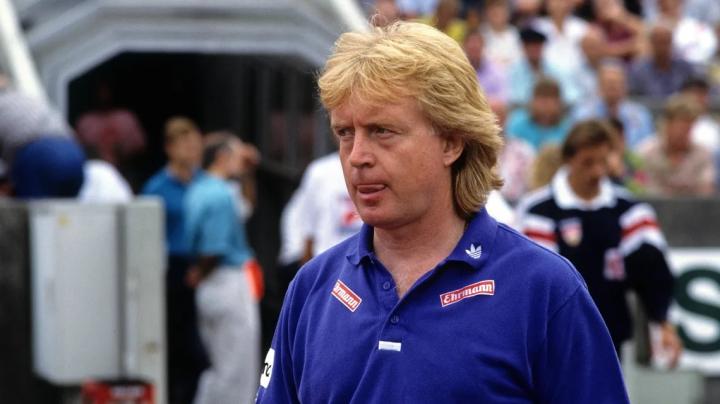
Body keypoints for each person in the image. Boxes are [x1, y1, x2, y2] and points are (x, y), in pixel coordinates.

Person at [256, 21, 628, 403]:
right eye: (345, 133)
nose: (357, 157)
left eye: (382, 131)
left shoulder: (544, 290)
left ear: (451, 143)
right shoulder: (313, 287)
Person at [516, 119, 682, 361]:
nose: (597, 171)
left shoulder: (630, 211)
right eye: (588, 162)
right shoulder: (537, 211)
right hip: (553, 341)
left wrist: (664, 323)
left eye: (603, 162)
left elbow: (654, 273)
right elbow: (531, 282)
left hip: (611, 338)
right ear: (568, 159)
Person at [184, 133, 260, 404]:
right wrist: (202, 271)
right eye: (237, 155)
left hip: (212, 284)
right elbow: (213, 248)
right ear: (222, 157)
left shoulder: (199, 188)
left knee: (221, 363)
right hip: (226, 280)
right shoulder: (219, 195)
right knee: (235, 369)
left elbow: (246, 207)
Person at [141, 116, 207, 404]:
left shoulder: (206, 183)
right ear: (170, 148)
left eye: (195, 145)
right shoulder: (156, 188)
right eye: (185, 145)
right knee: (178, 343)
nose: (192, 151)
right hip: (173, 270)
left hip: (206, 265)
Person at [638, 95, 716, 196]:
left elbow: (705, 191)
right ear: (667, 125)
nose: (683, 133)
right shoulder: (646, 153)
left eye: (688, 128)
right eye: (680, 128)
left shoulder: (702, 154)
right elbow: (644, 191)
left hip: (693, 206)